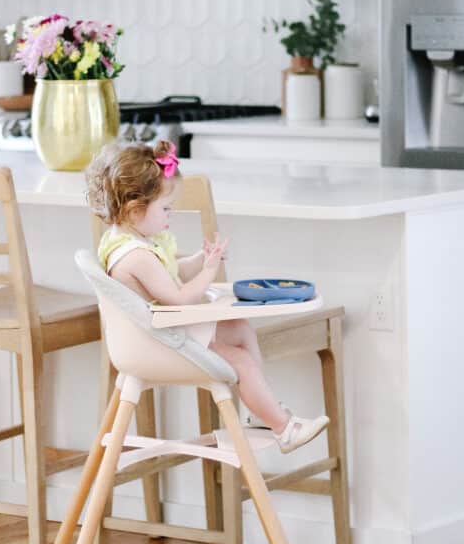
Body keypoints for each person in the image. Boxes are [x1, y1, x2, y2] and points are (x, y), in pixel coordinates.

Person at [85, 140, 329, 454]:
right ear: (135, 208)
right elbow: (180, 298)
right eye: (165, 208)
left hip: (165, 332)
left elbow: (172, 273)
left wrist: (200, 259)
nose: (169, 216)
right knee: (240, 361)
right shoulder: (136, 256)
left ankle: (262, 412)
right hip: (160, 342)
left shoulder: (129, 240)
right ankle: (284, 428)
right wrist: (210, 270)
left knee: (239, 328)